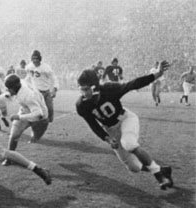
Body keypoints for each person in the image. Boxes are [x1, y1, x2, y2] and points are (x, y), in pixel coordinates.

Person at [76, 61, 173, 190]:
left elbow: (133, 84)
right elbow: (93, 125)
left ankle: (159, 175)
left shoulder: (109, 89)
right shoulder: (81, 105)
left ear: (94, 87)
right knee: (134, 167)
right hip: (111, 130)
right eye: (81, 89)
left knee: (129, 144)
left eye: (86, 89)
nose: (83, 93)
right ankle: (163, 170)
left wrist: (157, 74)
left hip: (125, 119)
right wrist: (107, 138)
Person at [0, 74, 49, 165]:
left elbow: (38, 114)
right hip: (25, 110)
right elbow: (9, 94)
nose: (7, 90)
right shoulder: (19, 85)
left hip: (41, 117)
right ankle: (9, 158)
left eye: (9, 88)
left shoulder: (28, 95)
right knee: (14, 136)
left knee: (35, 138)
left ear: (15, 88)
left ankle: (34, 136)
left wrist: (19, 117)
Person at [25, 50, 58, 123]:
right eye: (33, 59)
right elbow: (28, 78)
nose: (35, 60)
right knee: (37, 111)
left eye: (37, 58)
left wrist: (55, 89)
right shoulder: (29, 67)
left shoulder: (46, 67)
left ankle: (47, 121)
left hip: (46, 91)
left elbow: (53, 77)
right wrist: (27, 86)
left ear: (40, 59)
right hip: (36, 93)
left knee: (50, 110)